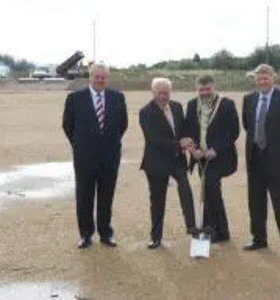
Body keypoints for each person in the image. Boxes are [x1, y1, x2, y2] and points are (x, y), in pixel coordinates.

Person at [62, 63, 128, 249]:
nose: (100, 80)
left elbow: (122, 125)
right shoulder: (75, 98)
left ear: (107, 78)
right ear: (89, 77)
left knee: (106, 197)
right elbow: (68, 126)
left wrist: (108, 143)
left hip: (110, 157)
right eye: (97, 76)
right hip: (84, 157)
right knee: (84, 197)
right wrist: (80, 144)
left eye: (103, 77)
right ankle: (85, 235)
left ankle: (106, 234)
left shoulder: (117, 97)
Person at [242, 64, 280, 258]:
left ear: (273, 78)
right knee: (255, 201)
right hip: (255, 158)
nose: (262, 81)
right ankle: (259, 239)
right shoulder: (249, 99)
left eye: (266, 77)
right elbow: (247, 125)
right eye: (259, 78)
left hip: (276, 160)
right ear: (255, 80)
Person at [139, 77, 197, 249]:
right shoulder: (145, 112)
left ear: (170, 93)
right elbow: (153, 140)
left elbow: (184, 129)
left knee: (185, 190)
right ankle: (155, 237)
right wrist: (178, 144)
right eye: (160, 93)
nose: (163, 96)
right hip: (156, 162)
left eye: (166, 93)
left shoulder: (177, 107)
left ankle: (191, 227)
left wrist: (188, 140)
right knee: (157, 200)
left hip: (177, 160)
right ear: (153, 92)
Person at [185, 74, 240, 243]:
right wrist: (193, 150)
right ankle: (210, 228)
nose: (204, 92)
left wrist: (215, 149)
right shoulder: (192, 104)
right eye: (201, 89)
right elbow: (189, 130)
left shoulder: (226, 104)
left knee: (211, 190)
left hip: (219, 157)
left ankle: (222, 231)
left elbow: (233, 131)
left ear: (213, 87)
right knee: (207, 191)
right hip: (201, 158)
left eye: (208, 89)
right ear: (197, 89)